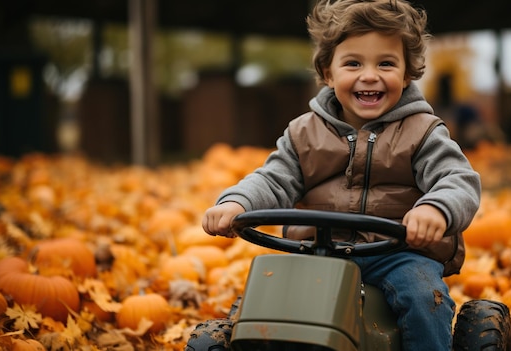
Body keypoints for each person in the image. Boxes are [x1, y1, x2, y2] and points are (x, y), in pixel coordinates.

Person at [201, 0, 481, 349]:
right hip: (318, 249)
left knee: (423, 296)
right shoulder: (303, 133)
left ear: (407, 74)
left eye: (386, 63)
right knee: (264, 299)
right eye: (353, 63)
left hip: (395, 253)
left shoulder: (423, 131)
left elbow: (457, 179)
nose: (369, 75)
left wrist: (436, 209)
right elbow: (274, 179)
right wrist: (237, 202)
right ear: (328, 72)